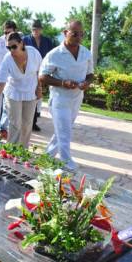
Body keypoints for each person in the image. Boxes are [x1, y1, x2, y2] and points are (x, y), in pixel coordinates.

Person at [39, 20, 93, 171]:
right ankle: (66, 164)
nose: (78, 37)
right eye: (75, 33)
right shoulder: (54, 54)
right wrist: (63, 83)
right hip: (60, 99)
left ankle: (47, 156)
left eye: (81, 34)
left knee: (62, 131)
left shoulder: (86, 53)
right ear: (65, 33)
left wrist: (86, 83)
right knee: (65, 132)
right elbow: (42, 76)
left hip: (76, 99)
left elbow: (90, 74)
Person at [0, 32, 42, 147]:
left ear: (21, 43)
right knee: (15, 123)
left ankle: (22, 151)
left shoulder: (34, 53)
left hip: (30, 92)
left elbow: (39, 72)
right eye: (8, 47)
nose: (11, 50)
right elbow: (1, 81)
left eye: (14, 47)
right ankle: (11, 150)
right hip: (13, 93)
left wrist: (39, 88)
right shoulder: (7, 59)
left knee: (27, 124)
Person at [23, 19, 55, 132]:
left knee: (38, 97)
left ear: (41, 30)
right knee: (29, 96)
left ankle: (34, 122)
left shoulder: (47, 41)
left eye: (38, 29)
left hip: (42, 72)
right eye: (33, 29)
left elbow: (52, 56)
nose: (36, 31)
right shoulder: (25, 40)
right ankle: (27, 121)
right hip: (29, 72)